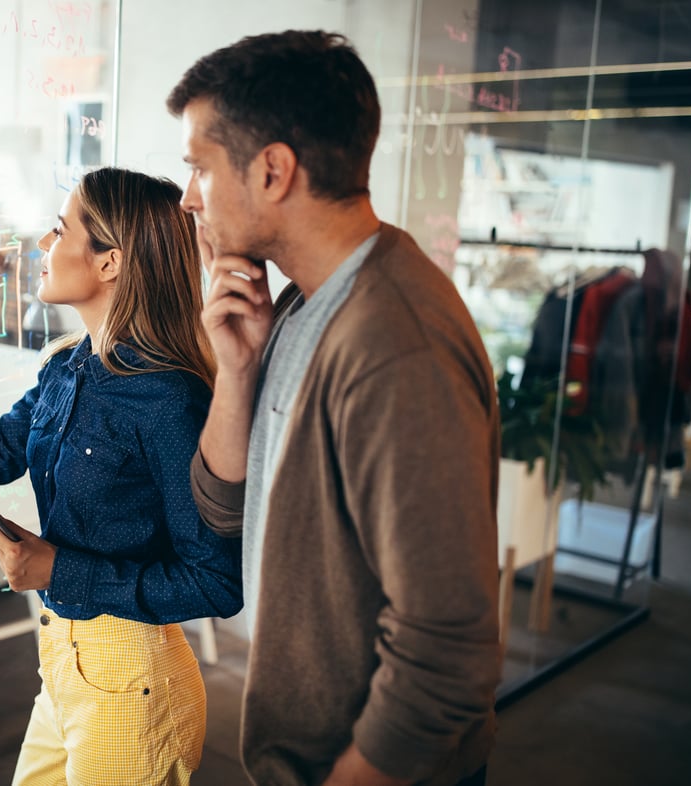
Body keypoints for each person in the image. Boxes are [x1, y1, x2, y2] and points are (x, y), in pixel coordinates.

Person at [167, 30, 501, 786]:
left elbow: (448, 651)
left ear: (274, 170)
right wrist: (238, 368)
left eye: (200, 167)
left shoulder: (392, 343)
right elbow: (223, 511)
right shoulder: (298, 305)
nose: (189, 196)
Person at [0, 166, 243, 785]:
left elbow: (217, 584)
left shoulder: (169, 399)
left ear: (109, 262)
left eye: (60, 231)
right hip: (61, 659)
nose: (41, 245)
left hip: (132, 681)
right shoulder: (66, 367)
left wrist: (58, 568)